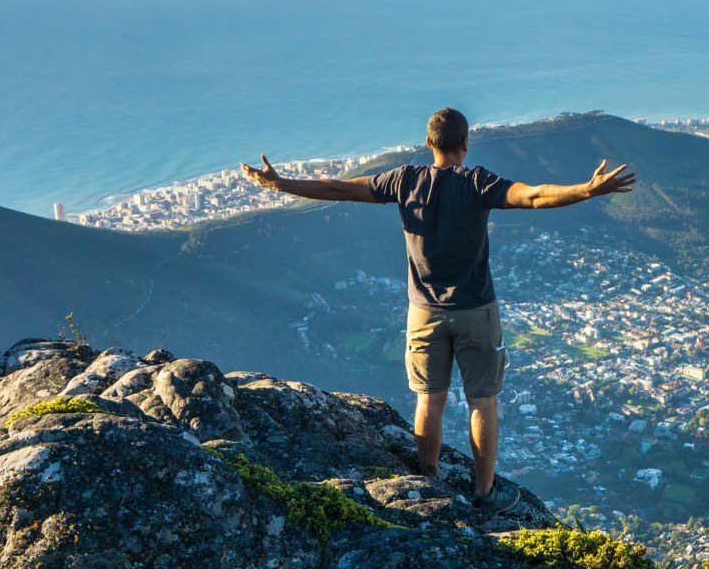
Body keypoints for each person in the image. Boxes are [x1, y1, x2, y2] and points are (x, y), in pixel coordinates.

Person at [241, 108, 636, 514]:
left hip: (424, 311)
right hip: (476, 310)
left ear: (428, 143)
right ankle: (484, 494)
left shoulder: (405, 180)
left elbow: (339, 188)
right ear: (465, 144)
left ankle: (427, 483)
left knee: (429, 398)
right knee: (482, 400)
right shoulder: (477, 182)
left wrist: (281, 184)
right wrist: (586, 190)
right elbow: (533, 196)